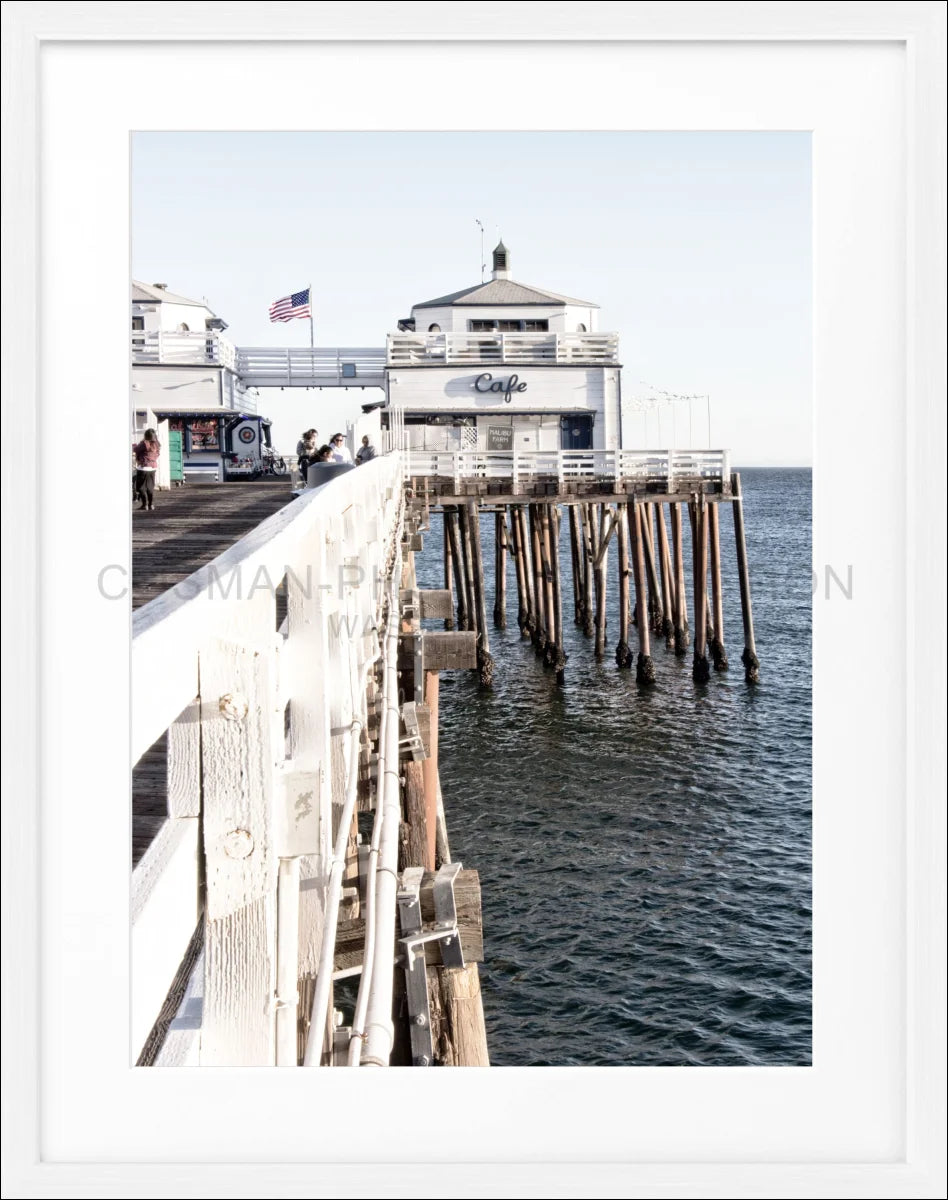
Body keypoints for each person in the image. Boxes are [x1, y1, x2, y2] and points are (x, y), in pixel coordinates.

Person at [133, 428, 161, 511]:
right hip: (153, 467)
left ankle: (144, 505)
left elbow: (135, 449)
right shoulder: (157, 444)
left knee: (141, 487)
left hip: (143, 467)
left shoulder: (144, 443)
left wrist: (134, 445)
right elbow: (158, 453)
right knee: (150, 487)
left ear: (146, 435)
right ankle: (151, 505)